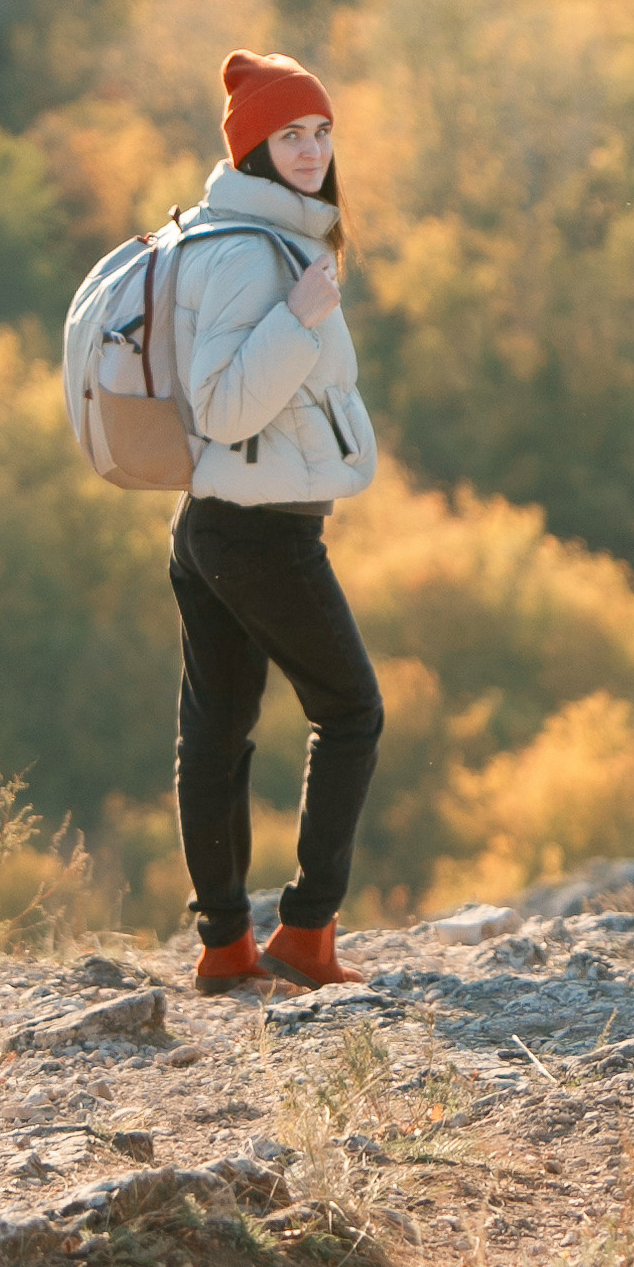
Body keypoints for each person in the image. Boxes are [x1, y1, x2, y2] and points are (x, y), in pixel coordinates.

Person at [166, 49, 383, 997]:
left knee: (216, 731)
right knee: (351, 714)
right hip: (259, 534)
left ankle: (224, 948)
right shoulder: (250, 255)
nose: (310, 149)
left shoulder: (255, 239)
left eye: (320, 132)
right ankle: (303, 934)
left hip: (218, 525)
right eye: (289, 135)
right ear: (252, 149)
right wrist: (299, 318)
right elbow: (221, 406)